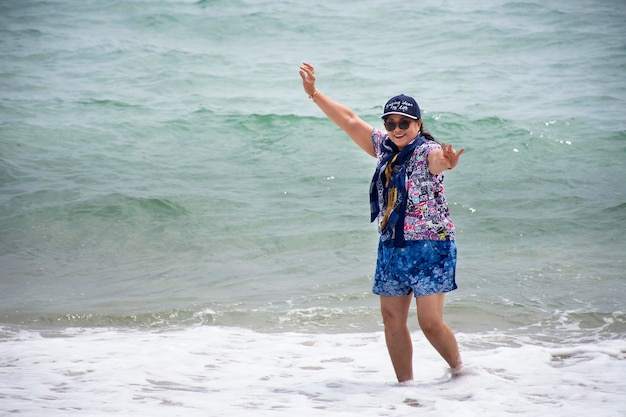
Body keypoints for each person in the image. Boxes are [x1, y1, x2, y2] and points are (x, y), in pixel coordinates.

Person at [299, 62, 465, 383]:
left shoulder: (427, 150)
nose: (397, 128)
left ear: (417, 124)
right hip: (391, 245)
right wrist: (314, 94)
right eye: (390, 123)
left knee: (430, 323)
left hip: (430, 247)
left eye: (404, 122)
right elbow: (349, 121)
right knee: (391, 320)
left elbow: (437, 162)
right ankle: (406, 390)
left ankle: (462, 372)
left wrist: (448, 162)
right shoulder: (384, 148)